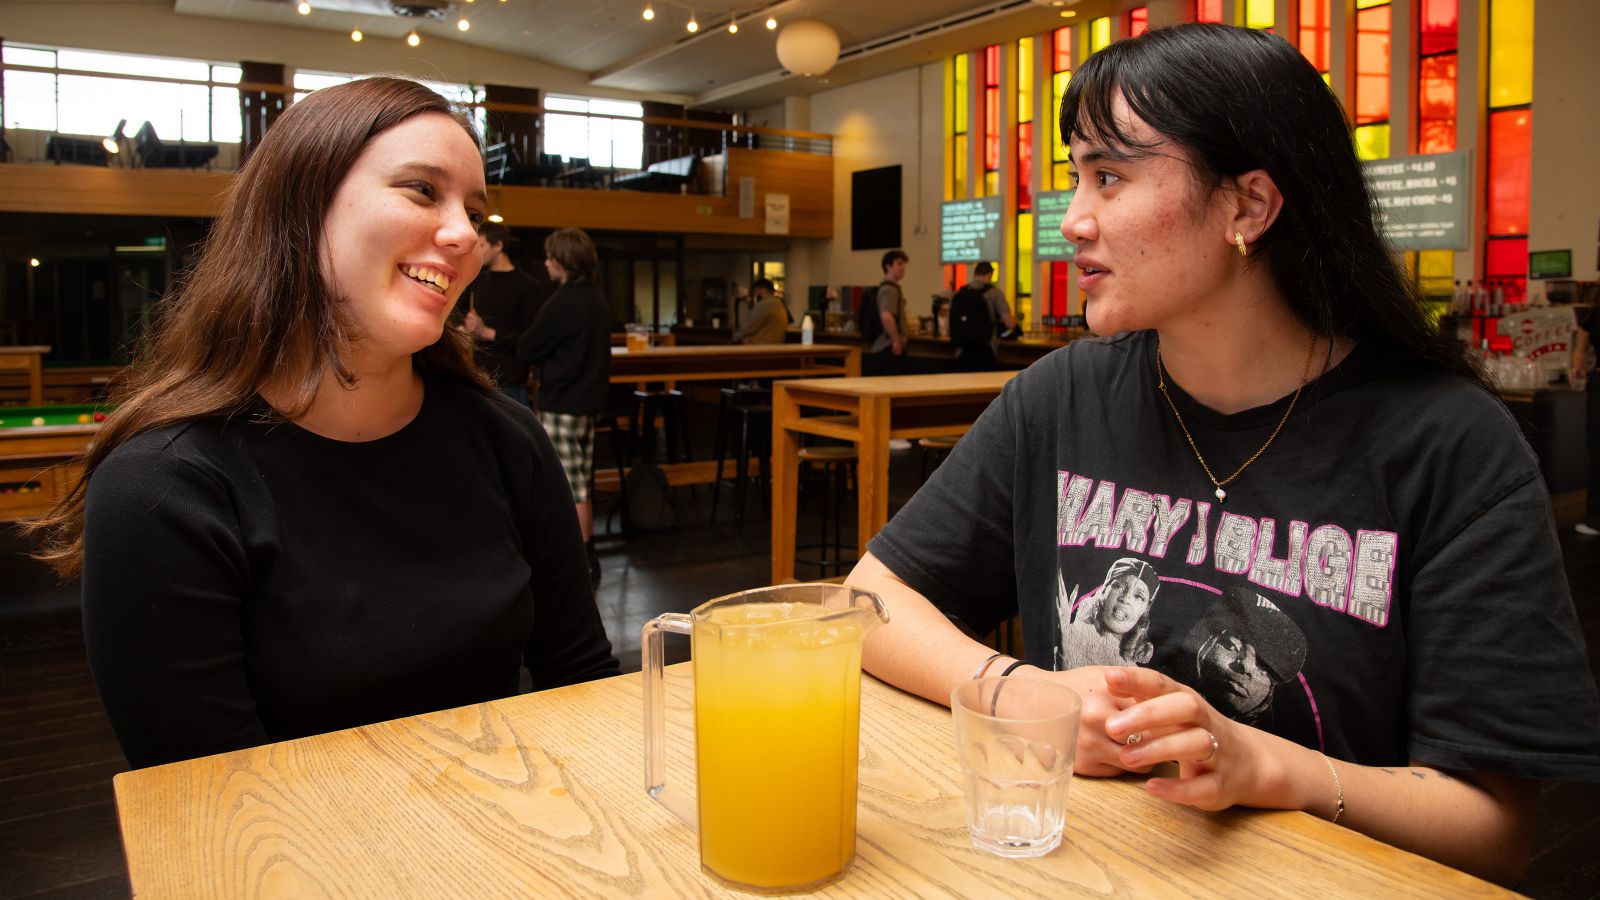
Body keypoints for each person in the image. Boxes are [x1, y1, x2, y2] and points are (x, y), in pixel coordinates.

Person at [846, 24, 1600, 885]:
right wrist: (1023, 691)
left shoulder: (1448, 445)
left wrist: (1269, 768)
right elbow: (871, 596)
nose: (1074, 220)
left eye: (1110, 175)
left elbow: (1494, 829)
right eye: (1074, 178)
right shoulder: (1062, 397)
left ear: (1248, 206)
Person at [27, 77, 619, 770]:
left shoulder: (507, 439)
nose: (464, 235)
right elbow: (213, 805)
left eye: (474, 211)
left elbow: (580, 684)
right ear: (300, 210)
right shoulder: (164, 491)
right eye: (422, 190)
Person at [518, 227, 611, 589]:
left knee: (571, 486)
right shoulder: (597, 299)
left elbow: (528, 348)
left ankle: (583, 559)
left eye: (550, 258)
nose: (545, 263)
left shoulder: (563, 301)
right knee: (582, 480)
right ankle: (587, 555)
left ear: (562, 262)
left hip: (563, 405)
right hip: (589, 405)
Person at [458, 221, 550, 405]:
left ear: (498, 245)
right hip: (477, 378)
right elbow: (462, 322)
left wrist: (486, 332)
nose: (477, 251)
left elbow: (533, 342)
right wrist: (464, 329)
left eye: (481, 245)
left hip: (511, 384)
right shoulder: (476, 281)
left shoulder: (528, 286)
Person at [1057, 557, 1158, 668]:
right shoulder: (1068, 632)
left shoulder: (1134, 672)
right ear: (1104, 591)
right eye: (1119, 586)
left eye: (1138, 596)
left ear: (1145, 611)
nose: (1125, 599)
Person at [950, 261, 1019, 371]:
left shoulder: (959, 293)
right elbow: (1010, 323)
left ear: (975, 274)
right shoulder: (994, 293)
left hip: (962, 352)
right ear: (989, 275)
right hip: (986, 351)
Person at [1570, 303, 1598, 536]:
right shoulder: (1591, 314)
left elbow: (1580, 351)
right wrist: (1577, 369)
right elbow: (1580, 351)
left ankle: (1596, 519)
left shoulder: (1590, 313)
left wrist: (1578, 367)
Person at [865, 249, 909, 376]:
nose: (903, 268)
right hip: (887, 348)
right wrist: (896, 340)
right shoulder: (890, 289)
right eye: (899, 264)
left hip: (885, 347)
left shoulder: (888, 288)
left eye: (903, 264)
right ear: (888, 266)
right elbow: (886, 315)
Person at [731, 277, 788, 344]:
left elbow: (749, 326)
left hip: (758, 348)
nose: (755, 295)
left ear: (763, 290)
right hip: (774, 347)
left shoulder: (766, 304)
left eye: (756, 291)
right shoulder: (779, 303)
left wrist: (734, 336)